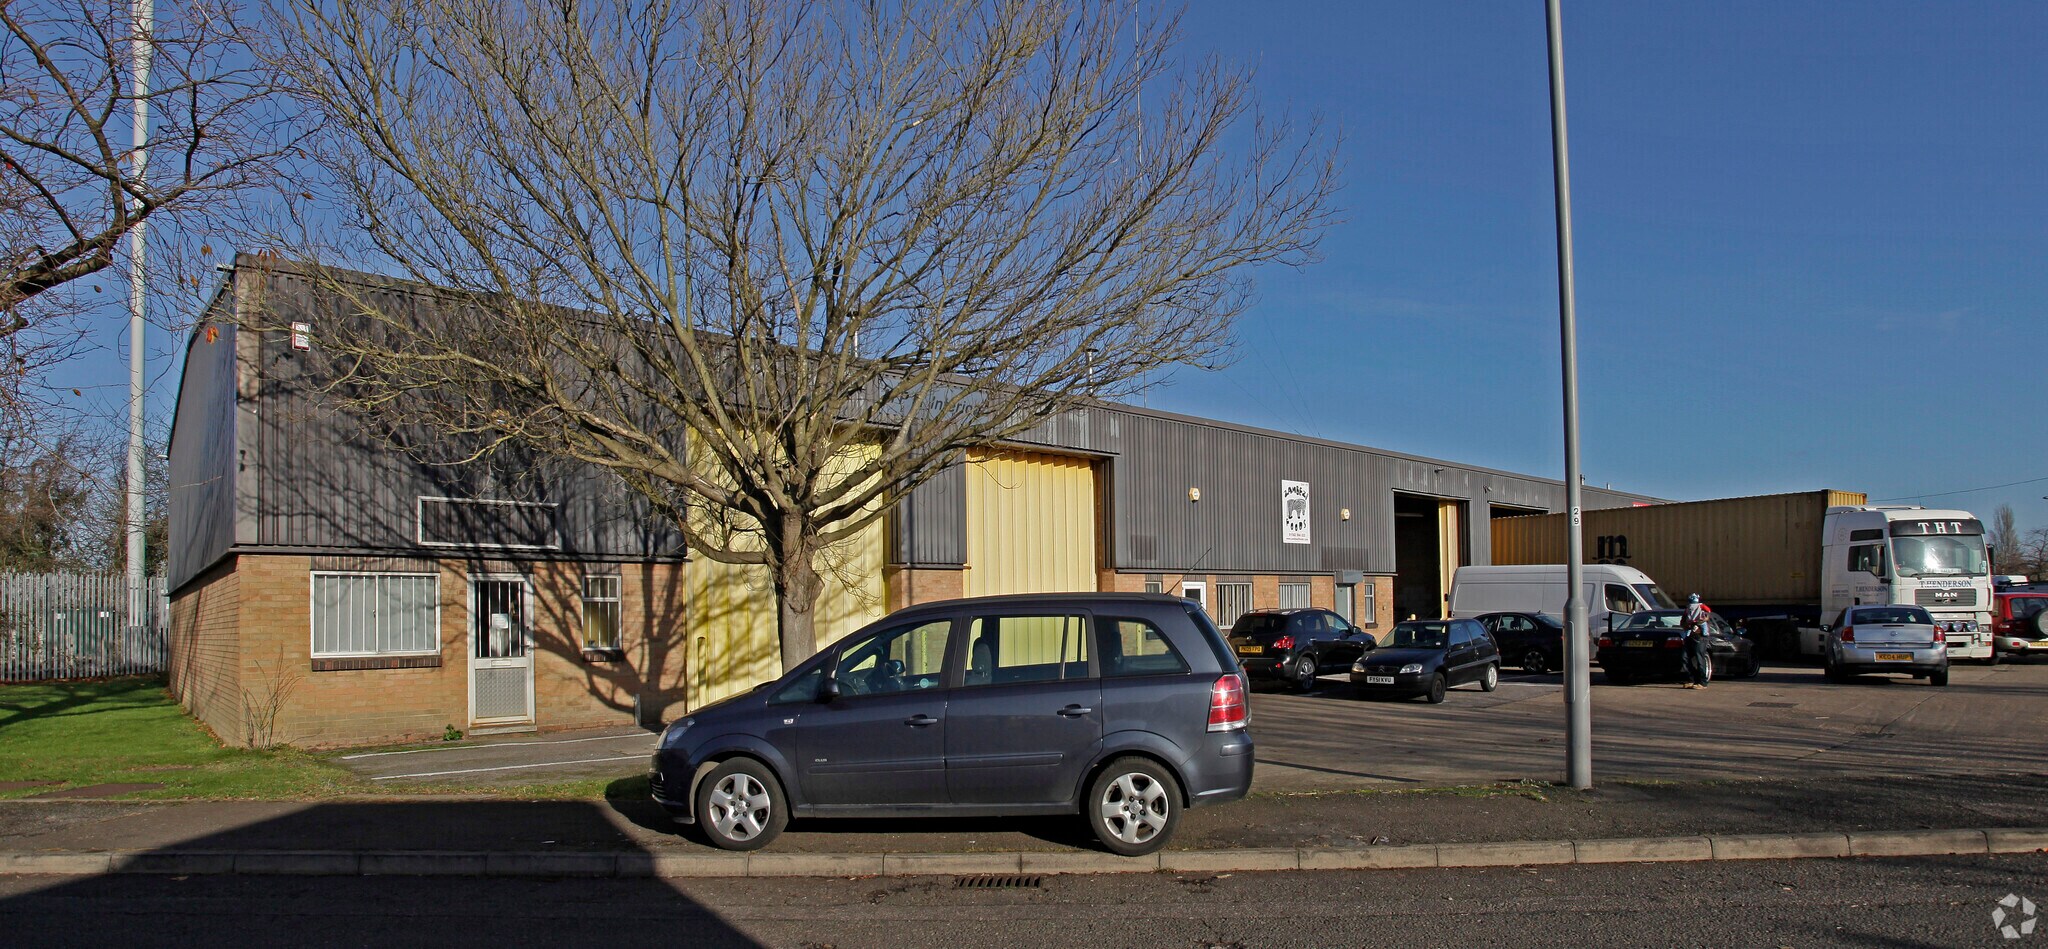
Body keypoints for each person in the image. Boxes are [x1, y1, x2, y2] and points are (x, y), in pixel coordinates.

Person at [1681, 594, 1712, 689]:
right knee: (1684, 658)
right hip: (1689, 637)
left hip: (1700, 638)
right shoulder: (1687, 610)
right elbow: (1682, 622)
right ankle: (1691, 680)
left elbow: (1708, 615)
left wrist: (1704, 619)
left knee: (1699, 659)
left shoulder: (1702, 610)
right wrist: (1687, 624)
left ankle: (1702, 683)